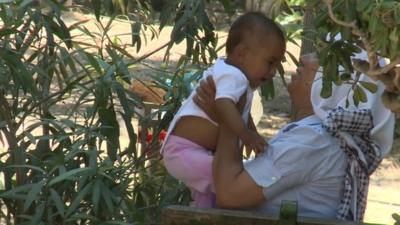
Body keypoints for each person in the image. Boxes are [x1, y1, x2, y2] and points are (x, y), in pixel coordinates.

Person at [194, 53, 395, 220]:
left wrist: (228, 119)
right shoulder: (327, 138)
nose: (306, 59)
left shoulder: (315, 141)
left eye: (324, 58)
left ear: (341, 86)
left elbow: (229, 195)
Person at [161, 12, 286, 208]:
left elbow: (242, 115)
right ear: (242, 53)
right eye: (270, 62)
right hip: (184, 151)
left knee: (211, 201)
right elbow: (223, 105)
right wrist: (246, 135)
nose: (272, 73)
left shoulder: (235, 76)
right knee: (230, 181)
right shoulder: (233, 76)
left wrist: (253, 133)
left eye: (277, 66)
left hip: (191, 152)